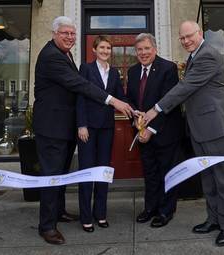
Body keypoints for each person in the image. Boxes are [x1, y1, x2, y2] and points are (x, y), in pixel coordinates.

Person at [33, 16, 132, 245]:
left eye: (72, 33)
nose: (69, 37)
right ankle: (47, 226)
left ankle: (58, 212)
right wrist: (112, 101)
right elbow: (79, 85)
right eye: (64, 33)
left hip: (63, 127)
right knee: (51, 176)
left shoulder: (64, 54)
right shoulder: (51, 56)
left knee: (61, 175)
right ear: (54, 33)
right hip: (51, 127)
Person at [143, 21, 224, 246]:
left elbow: (185, 88)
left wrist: (156, 109)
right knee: (208, 178)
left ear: (200, 33)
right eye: (182, 38)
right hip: (200, 128)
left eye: (189, 36)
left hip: (216, 127)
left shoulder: (207, 55)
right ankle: (214, 220)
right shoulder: (195, 56)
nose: (186, 41)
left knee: (223, 180)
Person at [126, 33, 184, 228]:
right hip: (141, 133)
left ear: (155, 49)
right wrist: (135, 122)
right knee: (149, 173)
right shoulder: (133, 72)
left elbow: (169, 102)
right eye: (139, 49)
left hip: (164, 132)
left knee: (166, 173)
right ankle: (150, 208)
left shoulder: (168, 68)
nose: (143, 53)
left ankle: (166, 211)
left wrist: (150, 129)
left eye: (147, 49)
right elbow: (130, 100)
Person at [76, 35, 125, 233]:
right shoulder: (86, 69)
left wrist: (137, 109)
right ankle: (86, 217)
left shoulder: (114, 73)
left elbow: (120, 97)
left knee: (103, 172)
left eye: (108, 48)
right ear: (94, 50)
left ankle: (100, 214)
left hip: (106, 129)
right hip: (88, 128)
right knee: (87, 171)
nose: (106, 51)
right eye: (102, 47)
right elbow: (80, 96)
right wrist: (81, 125)